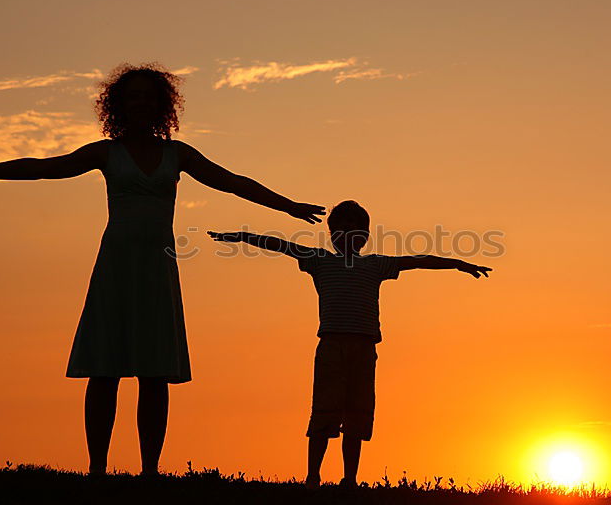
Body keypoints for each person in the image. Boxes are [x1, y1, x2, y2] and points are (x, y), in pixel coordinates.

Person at [0, 62, 325, 477]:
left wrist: (288, 206)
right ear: (118, 105)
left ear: (162, 104)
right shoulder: (105, 152)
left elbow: (232, 181)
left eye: (147, 96)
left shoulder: (179, 154)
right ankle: (97, 468)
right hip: (116, 264)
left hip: (157, 266)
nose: (140, 102)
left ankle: (149, 471)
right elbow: (42, 167)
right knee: (104, 368)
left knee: (154, 372)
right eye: (132, 95)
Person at [208, 200, 491, 488]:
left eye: (355, 229)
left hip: (365, 348)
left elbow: (419, 260)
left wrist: (459, 264)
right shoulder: (319, 260)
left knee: (358, 413)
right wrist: (243, 237)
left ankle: (350, 479)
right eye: (340, 229)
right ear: (331, 234)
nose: (347, 235)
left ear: (365, 236)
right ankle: (313, 476)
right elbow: (279, 245)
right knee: (324, 410)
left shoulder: (376, 264)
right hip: (332, 346)